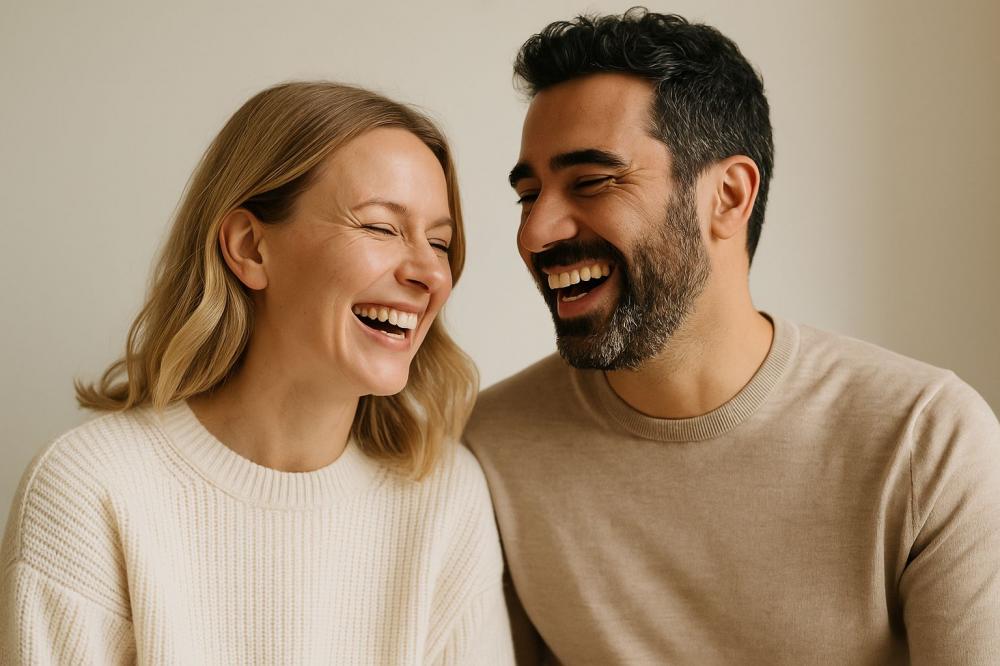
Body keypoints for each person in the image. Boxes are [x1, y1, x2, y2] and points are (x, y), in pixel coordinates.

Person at [464, 9, 1000, 665]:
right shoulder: (491, 448)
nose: (536, 233)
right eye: (529, 194)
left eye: (593, 182)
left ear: (729, 195)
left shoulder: (924, 437)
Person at [1, 81, 514, 664]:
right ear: (249, 247)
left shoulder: (443, 493)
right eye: (379, 227)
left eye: (440, 242)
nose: (431, 274)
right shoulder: (90, 488)